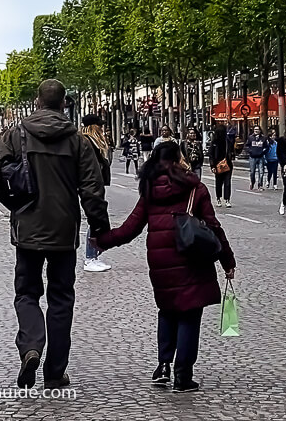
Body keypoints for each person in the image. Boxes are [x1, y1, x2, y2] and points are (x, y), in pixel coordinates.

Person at [0, 80, 110, 391]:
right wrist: (99, 228)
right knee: (61, 299)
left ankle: (31, 345)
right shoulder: (78, 141)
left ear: (37, 102)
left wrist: (16, 205)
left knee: (27, 293)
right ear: (64, 105)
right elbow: (93, 190)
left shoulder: (17, 134)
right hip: (64, 231)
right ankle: (55, 372)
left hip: (27, 230)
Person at [96, 141, 236, 392]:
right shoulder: (195, 188)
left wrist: (103, 241)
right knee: (190, 316)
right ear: (178, 158)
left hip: (160, 263)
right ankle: (183, 375)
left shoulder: (149, 189)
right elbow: (214, 227)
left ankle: (163, 367)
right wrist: (228, 261)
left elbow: (130, 228)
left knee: (168, 311)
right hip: (191, 259)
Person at [81, 114, 112, 273]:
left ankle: (93, 256)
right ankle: (90, 257)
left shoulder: (90, 141)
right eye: (99, 125)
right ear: (93, 127)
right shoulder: (87, 141)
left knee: (95, 219)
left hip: (94, 184)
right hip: (91, 186)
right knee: (95, 219)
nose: (102, 128)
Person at [208, 125, 233, 209]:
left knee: (227, 183)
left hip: (227, 164)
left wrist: (230, 156)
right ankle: (218, 198)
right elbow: (211, 154)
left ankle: (227, 199)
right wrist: (213, 166)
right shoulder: (214, 142)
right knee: (218, 183)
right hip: (217, 164)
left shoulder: (227, 141)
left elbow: (231, 150)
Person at [245, 125, 269, 191]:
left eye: (257, 129)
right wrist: (250, 151)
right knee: (252, 172)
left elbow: (267, 147)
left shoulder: (263, 138)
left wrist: (263, 152)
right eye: (255, 129)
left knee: (261, 172)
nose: (256, 131)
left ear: (260, 130)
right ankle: (252, 182)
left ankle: (260, 185)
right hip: (252, 157)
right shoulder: (250, 138)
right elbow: (246, 146)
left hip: (260, 157)